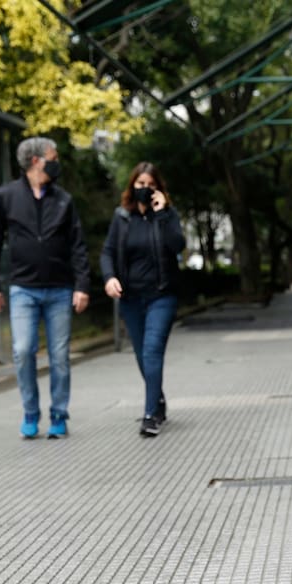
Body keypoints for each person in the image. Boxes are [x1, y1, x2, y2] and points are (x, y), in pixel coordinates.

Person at [0, 136, 90, 440]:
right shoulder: (7, 196)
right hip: (23, 289)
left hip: (59, 289)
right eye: (53, 157)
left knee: (59, 356)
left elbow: (78, 246)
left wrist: (82, 285)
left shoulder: (64, 200)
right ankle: (31, 411)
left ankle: (59, 414)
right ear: (36, 161)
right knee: (22, 350)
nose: (57, 163)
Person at [100, 161, 187, 437]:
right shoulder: (122, 217)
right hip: (131, 298)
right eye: (140, 184)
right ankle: (159, 400)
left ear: (158, 188)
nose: (145, 189)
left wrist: (162, 214)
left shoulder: (168, 215)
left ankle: (150, 415)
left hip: (162, 295)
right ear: (132, 186)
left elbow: (179, 246)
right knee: (141, 356)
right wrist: (109, 277)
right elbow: (107, 252)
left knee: (151, 351)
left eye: (151, 185)